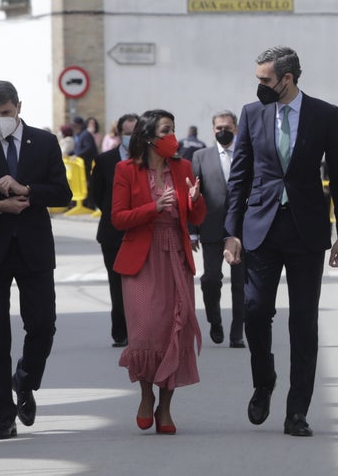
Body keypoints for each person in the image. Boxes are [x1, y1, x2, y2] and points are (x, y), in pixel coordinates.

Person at [224, 46, 338, 438]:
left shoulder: (324, 114)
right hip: (260, 227)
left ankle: (297, 411)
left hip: (306, 230)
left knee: (303, 322)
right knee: (255, 311)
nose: (259, 86)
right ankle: (264, 380)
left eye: (265, 80)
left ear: (288, 79)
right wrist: (231, 231)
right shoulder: (252, 114)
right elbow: (239, 176)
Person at [0, 81, 71, 440]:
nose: (0, 119)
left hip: (34, 248)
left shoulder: (44, 142)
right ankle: (3, 416)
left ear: (19, 107)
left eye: (6, 113)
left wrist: (26, 189)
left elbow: (63, 194)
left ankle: (25, 379)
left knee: (43, 325)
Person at [112, 109, 205, 434]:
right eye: (166, 130)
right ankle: (146, 394)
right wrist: (155, 207)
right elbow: (118, 218)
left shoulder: (183, 167)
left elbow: (196, 218)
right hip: (142, 259)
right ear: (149, 135)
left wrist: (195, 200)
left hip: (175, 256)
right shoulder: (126, 169)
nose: (172, 137)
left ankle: (165, 407)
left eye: (174, 129)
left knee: (173, 332)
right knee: (144, 332)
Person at [190, 110, 245, 348]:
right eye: (219, 128)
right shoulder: (200, 156)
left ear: (236, 128)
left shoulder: (247, 153)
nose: (223, 131)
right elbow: (193, 195)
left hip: (243, 230)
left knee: (242, 284)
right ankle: (215, 321)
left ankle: (237, 333)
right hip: (211, 228)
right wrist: (193, 230)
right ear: (213, 130)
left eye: (227, 128)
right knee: (211, 279)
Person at [88, 112, 139, 348]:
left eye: (135, 133)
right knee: (117, 283)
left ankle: (141, 328)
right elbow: (97, 194)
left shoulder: (149, 159)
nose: (131, 137)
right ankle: (120, 331)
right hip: (112, 233)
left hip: (141, 230)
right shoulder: (105, 160)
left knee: (140, 284)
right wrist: (115, 213)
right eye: (127, 133)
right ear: (119, 134)